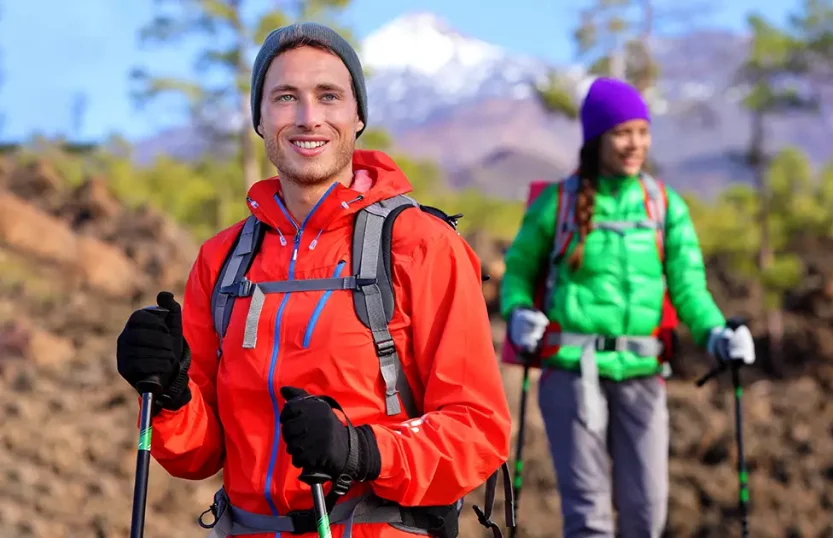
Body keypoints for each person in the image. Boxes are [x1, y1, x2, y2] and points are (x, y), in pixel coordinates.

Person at [115, 22, 512, 538]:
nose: (308, 118)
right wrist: (169, 396)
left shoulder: (421, 246)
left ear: (359, 115)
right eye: (285, 97)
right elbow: (201, 453)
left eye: (329, 96)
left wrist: (362, 451)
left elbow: (477, 429)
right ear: (259, 117)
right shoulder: (223, 260)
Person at [499, 77, 756, 538]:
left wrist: (718, 333)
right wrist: (518, 312)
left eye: (642, 131)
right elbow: (517, 272)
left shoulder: (664, 206)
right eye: (622, 132)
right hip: (572, 374)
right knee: (589, 518)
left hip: (642, 374)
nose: (634, 143)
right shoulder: (557, 205)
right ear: (597, 138)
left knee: (648, 515)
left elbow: (689, 289)